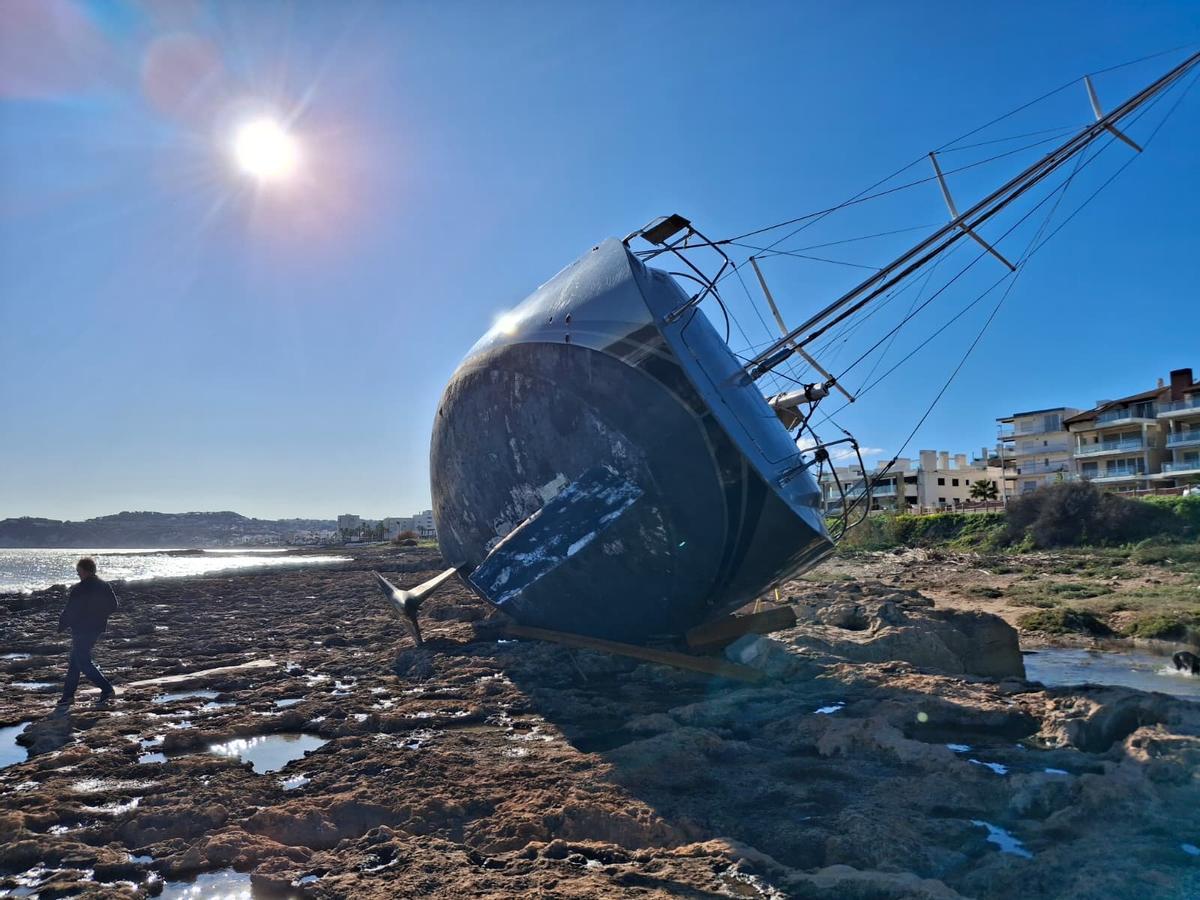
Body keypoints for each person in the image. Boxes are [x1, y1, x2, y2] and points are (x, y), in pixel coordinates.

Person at [57, 557, 118, 706]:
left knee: (83, 661)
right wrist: (98, 615)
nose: (78, 574)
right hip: (96, 628)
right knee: (75, 661)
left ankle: (107, 689)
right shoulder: (104, 585)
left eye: (79, 571)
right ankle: (68, 696)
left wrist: (61, 625)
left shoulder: (80, 588)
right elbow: (113, 606)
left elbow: (71, 610)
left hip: (81, 629)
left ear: (85, 571)